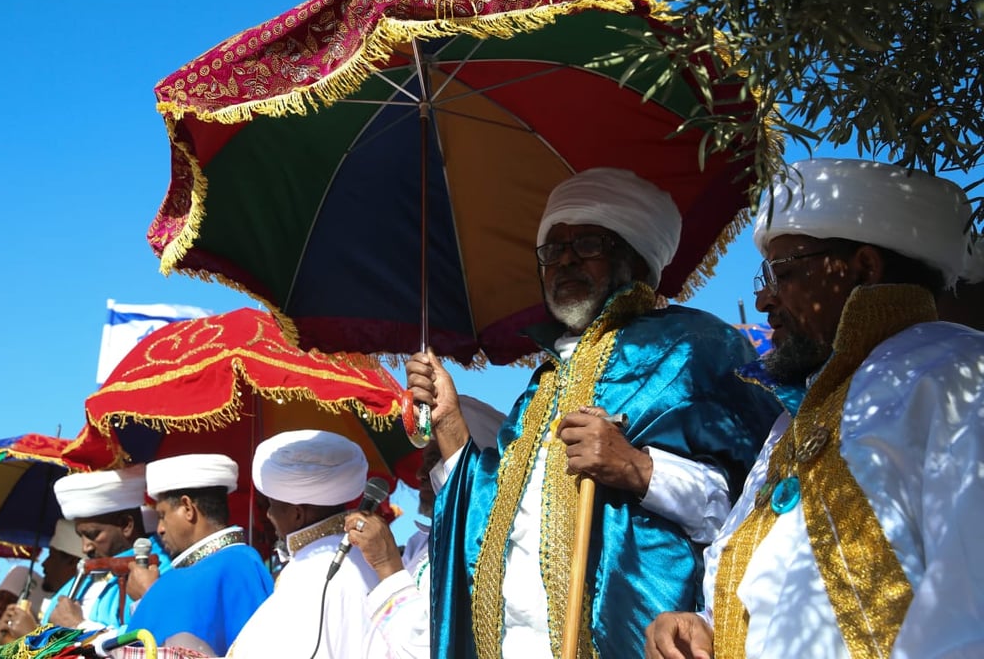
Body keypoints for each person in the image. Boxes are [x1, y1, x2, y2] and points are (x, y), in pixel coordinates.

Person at [408, 167, 783, 659]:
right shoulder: (541, 384)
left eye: (586, 244)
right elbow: (487, 519)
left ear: (636, 258)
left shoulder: (698, 348)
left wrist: (639, 468)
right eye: (552, 250)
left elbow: (760, 506)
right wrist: (450, 422)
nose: (564, 262)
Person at [645, 158, 984, 659]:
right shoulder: (793, 423)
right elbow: (773, 591)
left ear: (863, 268)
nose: (763, 298)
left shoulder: (955, 373)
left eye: (782, 273)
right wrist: (703, 625)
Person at [347, 397, 505, 659]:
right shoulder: (419, 543)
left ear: (471, 467)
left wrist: (388, 565)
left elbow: (428, 648)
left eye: (433, 459)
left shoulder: (486, 546)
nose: (420, 473)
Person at [227, 430, 379, 659]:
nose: (268, 514)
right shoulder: (362, 559)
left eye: (272, 505)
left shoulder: (315, 572)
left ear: (297, 514)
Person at [124, 454, 272, 654]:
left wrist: (151, 595)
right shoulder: (239, 562)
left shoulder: (235, 564)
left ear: (187, 508)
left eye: (162, 515)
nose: (159, 529)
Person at [0, 467, 168, 641]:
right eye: (81, 536)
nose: (85, 548)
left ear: (126, 525)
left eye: (93, 535)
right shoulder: (79, 582)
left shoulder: (163, 570)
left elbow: (157, 640)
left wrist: (78, 626)